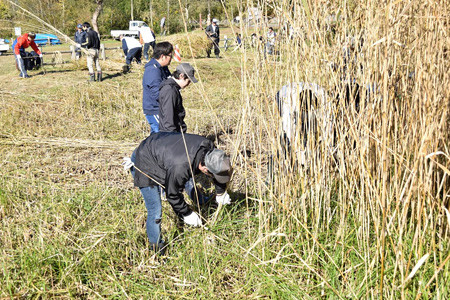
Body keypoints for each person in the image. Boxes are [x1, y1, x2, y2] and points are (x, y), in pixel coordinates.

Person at [123, 132, 233, 254]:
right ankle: (157, 250)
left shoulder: (210, 150)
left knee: (176, 179)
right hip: (145, 160)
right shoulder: (181, 166)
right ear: (204, 169)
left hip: (162, 150)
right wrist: (186, 213)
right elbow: (172, 194)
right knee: (155, 210)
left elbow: (218, 170)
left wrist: (220, 192)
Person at [142, 42, 173, 133]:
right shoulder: (153, 70)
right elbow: (157, 94)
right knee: (160, 135)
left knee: (157, 136)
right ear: (163, 56)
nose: (171, 58)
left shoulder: (162, 68)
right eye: (170, 56)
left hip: (161, 108)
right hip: (154, 109)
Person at [158, 63, 198, 133]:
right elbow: (168, 116)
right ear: (181, 76)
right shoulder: (170, 91)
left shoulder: (173, 88)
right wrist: (172, 136)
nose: (188, 84)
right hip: (171, 133)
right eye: (188, 81)